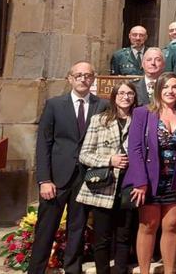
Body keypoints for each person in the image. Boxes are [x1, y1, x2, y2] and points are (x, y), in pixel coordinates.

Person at [30, 62, 109, 274]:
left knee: (78, 228)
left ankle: (72, 269)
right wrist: (44, 179)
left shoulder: (101, 105)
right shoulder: (55, 104)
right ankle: (36, 269)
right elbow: (43, 144)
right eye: (79, 75)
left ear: (93, 80)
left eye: (88, 76)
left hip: (85, 178)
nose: (83, 79)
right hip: (56, 178)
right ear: (70, 79)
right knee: (46, 228)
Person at [125, 73, 176, 274]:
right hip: (150, 180)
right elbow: (135, 149)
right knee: (148, 226)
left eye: (175, 87)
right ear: (158, 89)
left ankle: (169, 271)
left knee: (172, 226)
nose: (170, 91)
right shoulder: (143, 113)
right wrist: (140, 181)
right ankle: (144, 271)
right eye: (166, 87)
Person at [77, 81, 138, 274]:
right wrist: (109, 160)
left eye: (130, 93)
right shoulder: (99, 120)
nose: (125, 97)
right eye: (121, 93)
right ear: (113, 96)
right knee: (102, 237)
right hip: (104, 186)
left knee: (124, 235)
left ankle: (120, 270)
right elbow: (84, 154)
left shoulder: (140, 120)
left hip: (129, 185)